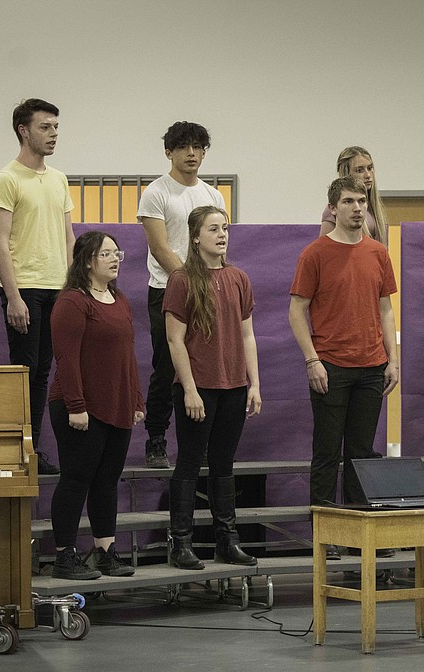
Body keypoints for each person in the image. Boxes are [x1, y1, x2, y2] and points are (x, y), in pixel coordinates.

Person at [289, 176, 399, 560]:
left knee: (361, 453)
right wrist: (312, 359)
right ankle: (326, 534)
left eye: (362, 200)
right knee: (326, 451)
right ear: (333, 208)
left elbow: (386, 309)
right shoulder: (315, 253)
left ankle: (357, 534)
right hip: (330, 365)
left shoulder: (377, 252)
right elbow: (297, 309)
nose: (357, 207)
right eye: (349, 201)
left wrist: (393, 359)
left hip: (372, 366)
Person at [164, 206, 261, 569]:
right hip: (198, 387)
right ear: (195, 237)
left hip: (233, 385)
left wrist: (255, 384)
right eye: (213, 229)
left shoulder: (239, 278)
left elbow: (248, 335)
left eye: (225, 229)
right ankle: (181, 543)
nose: (222, 235)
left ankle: (227, 540)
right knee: (189, 463)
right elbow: (175, 340)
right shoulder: (182, 280)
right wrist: (189, 389)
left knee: (224, 464)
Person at [47, 232, 145, 580]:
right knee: (76, 479)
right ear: (88, 260)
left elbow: (127, 355)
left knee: (107, 481)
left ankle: (105, 551)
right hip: (79, 408)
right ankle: (64, 557)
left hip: (116, 406)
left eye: (117, 252)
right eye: (106, 254)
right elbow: (66, 359)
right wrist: (76, 406)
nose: (115, 258)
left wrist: (135, 398)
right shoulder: (72, 302)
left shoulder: (119, 300)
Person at [0, 98, 77, 476]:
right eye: (45, 127)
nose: (53, 134)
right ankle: (21, 450)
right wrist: (13, 297)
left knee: (45, 372)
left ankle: (34, 449)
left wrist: (75, 289)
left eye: (56, 127)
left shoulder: (58, 178)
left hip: (58, 288)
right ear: (24, 131)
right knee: (24, 370)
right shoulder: (6, 178)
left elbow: (70, 237)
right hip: (23, 287)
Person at [137, 122, 226, 468]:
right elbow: (160, 246)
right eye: (184, 147)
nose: (192, 153)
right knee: (167, 365)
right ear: (169, 152)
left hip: (208, 290)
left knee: (203, 366)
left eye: (198, 147)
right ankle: (156, 439)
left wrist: (211, 283)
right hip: (167, 290)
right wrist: (189, 281)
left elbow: (217, 244)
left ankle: (199, 442)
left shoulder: (213, 195)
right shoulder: (156, 193)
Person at [319, 146, 389, 244]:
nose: (368, 175)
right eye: (359, 170)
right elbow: (324, 250)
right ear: (347, 174)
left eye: (370, 168)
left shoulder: (373, 207)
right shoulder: (333, 210)